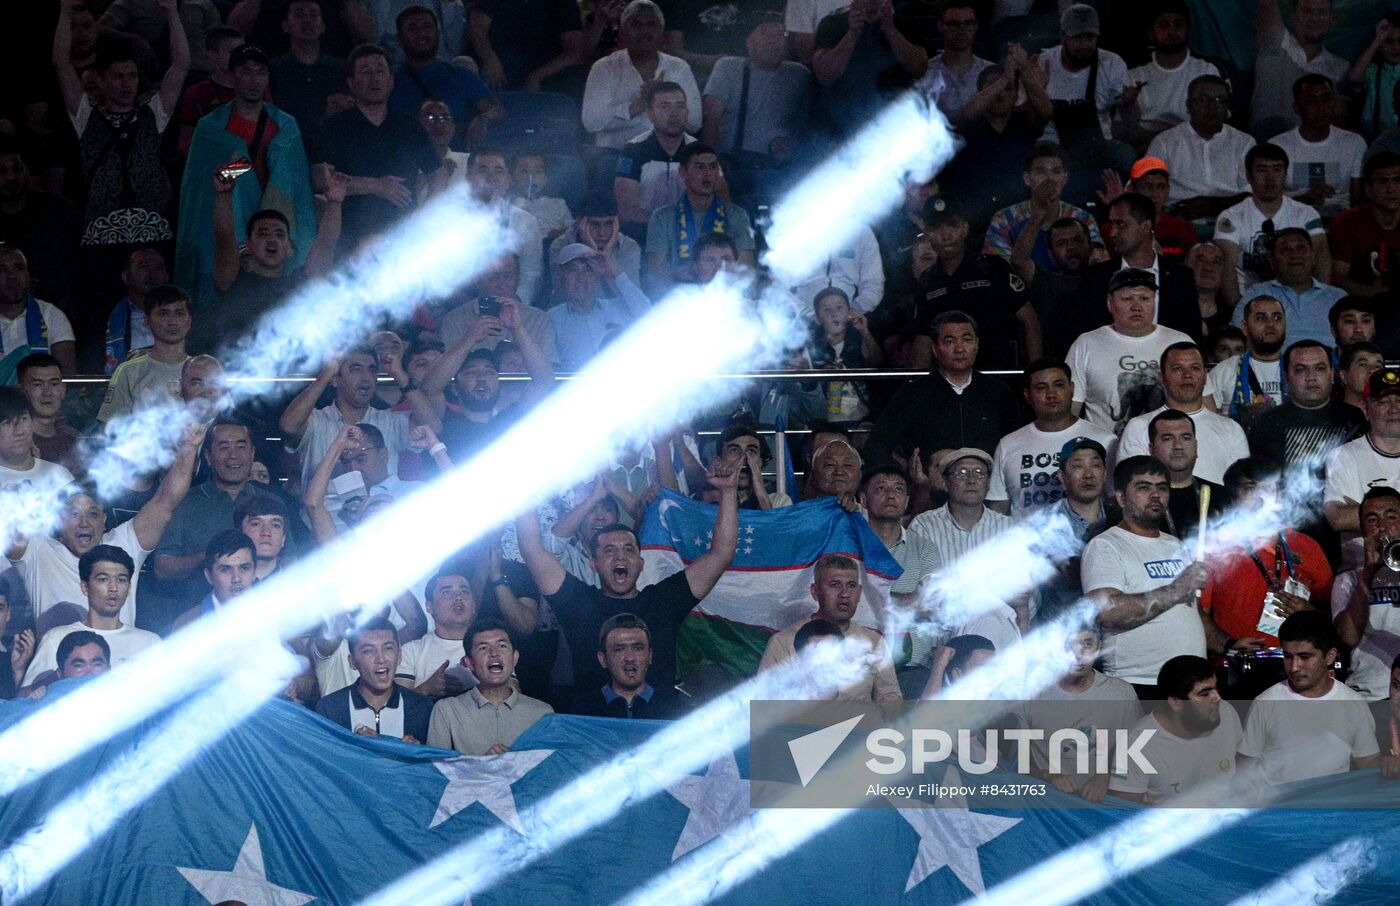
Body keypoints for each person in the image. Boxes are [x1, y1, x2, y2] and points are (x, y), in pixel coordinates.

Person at [516, 457, 739, 695]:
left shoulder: (663, 602)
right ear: (594, 564)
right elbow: (531, 547)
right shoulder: (578, 603)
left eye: (629, 549)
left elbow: (722, 553)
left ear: (641, 563)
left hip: (656, 726)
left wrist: (727, 491)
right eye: (609, 550)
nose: (620, 557)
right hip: (596, 726)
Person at [7, 423, 201, 630]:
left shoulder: (122, 545)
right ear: (59, 521)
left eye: (92, 514)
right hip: (54, 661)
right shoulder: (38, 550)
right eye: (74, 514)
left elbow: (166, 501)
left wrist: (189, 448)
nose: (84, 523)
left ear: (104, 519)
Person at [177, 43, 318, 307]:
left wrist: (241, 166)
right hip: (226, 217)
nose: (254, 80)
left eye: (260, 73)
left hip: (273, 222)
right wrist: (239, 167)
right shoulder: (211, 128)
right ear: (232, 76)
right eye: (246, 72)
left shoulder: (286, 126)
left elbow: (295, 181)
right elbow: (201, 188)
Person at [54, 0, 189, 267]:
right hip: (101, 236)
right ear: (101, 80)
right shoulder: (87, 117)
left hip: (152, 236)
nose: (126, 84)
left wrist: (172, 11)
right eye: (118, 77)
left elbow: (181, 65)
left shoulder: (153, 114)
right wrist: (64, 9)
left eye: (132, 76)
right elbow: (61, 63)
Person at [1080, 455, 1208, 697]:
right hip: (1138, 682)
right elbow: (1108, 613)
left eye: (1162, 488)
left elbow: (1190, 612)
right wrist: (1177, 590)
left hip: (1187, 681)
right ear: (1120, 497)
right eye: (1143, 487)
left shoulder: (1176, 544)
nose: (1156, 495)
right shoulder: (1106, 545)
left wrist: (1227, 644)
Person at [311, 43, 445, 255]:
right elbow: (318, 179)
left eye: (380, 71)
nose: (374, 77)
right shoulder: (334, 126)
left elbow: (437, 173)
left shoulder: (409, 126)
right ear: (352, 83)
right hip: (349, 237)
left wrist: (424, 215)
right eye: (365, 72)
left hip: (402, 238)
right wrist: (374, 185)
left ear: (391, 80)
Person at [1201, 458, 1333, 651]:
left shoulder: (1306, 546)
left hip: (1299, 664)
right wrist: (1228, 644)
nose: (1262, 497)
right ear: (1233, 497)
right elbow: (1197, 613)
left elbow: (1334, 613)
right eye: (1250, 488)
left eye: (1270, 488)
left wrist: (1311, 613)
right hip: (1238, 663)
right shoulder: (1215, 547)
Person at [864, 311, 1021, 469]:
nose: (959, 349)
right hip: (930, 489)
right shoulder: (914, 393)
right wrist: (906, 476)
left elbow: (1018, 445)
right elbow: (876, 445)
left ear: (977, 345)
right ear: (935, 349)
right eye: (949, 341)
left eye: (967, 340)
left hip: (989, 487)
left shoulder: (997, 392)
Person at [1238, 611, 1380, 786]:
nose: (1294, 667)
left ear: (1330, 656)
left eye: (1304, 657)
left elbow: (1369, 764)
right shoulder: (1265, 703)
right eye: (1288, 656)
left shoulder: (1354, 704)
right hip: (1279, 809)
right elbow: (1245, 768)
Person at [207, 171, 343, 352]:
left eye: (280, 235)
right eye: (263, 234)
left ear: (289, 248)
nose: (272, 240)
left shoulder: (300, 284)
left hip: (289, 372)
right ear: (248, 245)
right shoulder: (233, 279)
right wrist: (223, 195)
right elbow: (224, 239)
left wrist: (334, 202)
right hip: (238, 372)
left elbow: (326, 245)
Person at [1011, 624, 1141, 801]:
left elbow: (1136, 752)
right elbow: (1016, 763)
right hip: (1051, 804)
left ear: (1099, 646)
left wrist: (1105, 777)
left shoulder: (1121, 693)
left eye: (1087, 644)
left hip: (1106, 802)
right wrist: (1048, 776)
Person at [413, 298, 553, 459]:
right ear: (455, 388)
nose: (481, 378)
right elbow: (430, 388)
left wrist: (518, 328)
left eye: (489, 372)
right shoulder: (443, 422)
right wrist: (470, 338)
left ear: (499, 384)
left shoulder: (512, 419)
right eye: (471, 372)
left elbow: (544, 380)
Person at [911, 201, 1040, 371]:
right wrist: (917, 384)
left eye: (952, 225)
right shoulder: (927, 282)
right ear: (926, 233)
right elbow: (923, 339)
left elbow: (1030, 321)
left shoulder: (993, 268)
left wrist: (1036, 371)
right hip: (949, 382)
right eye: (936, 228)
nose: (946, 234)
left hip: (998, 377)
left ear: (965, 228)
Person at [758, 553, 900, 703]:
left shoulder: (874, 642)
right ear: (815, 591)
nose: (845, 594)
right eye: (835, 585)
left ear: (859, 593)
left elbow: (891, 699)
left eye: (851, 585)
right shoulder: (783, 642)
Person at [1066, 269, 1193, 434]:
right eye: (1127, 299)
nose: (1136, 307)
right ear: (1110, 303)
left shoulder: (1180, 341)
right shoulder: (1086, 344)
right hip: (1105, 451)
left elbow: (1202, 402)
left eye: (1145, 298)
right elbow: (1070, 408)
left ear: (1155, 301)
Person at [986, 359, 1115, 520]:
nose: (1051, 394)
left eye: (1059, 385)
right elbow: (997, 508)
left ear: (1072, 389)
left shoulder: (1104, 440)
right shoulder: (1008, 444)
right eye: (1041, 388)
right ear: (1028, 395)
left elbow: (1116, 500)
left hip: (1090, 542)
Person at [152, 418, 262, 604]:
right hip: (199, 615)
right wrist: (210, 556)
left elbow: (290, 560)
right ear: (209, 457)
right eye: (224, 447)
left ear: (252, 454)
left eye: (241, 447)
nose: (233, 455)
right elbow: (162, 569)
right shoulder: (184, 502)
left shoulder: (269, 501)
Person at [1109, 655, 1244, 804]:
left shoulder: (1226, 712)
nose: (1217, 697)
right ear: (1176, 702)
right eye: (1205, 693)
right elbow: (1124, 812)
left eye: (1215, 689)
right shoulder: (1134, 745)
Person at [20, 546, 159, 688]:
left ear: (129, 587)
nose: (113, 588)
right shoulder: (56, 638)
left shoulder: (149, 642)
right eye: (103, 579)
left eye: (121, 580)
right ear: (85, 587)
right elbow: (28, 699)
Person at [1071, 191, 1202, 342]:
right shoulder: (1094, 277)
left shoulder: (1181, 278)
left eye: (1120, 224)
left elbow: (1192, 339)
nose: (1112, 232)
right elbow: (1083, 337)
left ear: (1145, 226)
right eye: (1112, 224)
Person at [280, 347, 412, 489]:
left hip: (382, 510)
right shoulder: (315, 422)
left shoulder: (391, 421)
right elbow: (288, 426)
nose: (367, 377)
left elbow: (434, 426)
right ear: (335, 380)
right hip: (321, 511)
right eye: (356, 369)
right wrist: (327, 374)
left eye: (372, 370)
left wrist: (400, 375)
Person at [1215, 143, 1329, 303]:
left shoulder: (1307, 214)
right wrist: (1238, 311)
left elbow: (1320, 258)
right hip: (1247, 300)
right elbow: (1227, 267)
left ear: (1285, 174)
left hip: (1298, 300)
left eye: (1277, 169)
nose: (1270, 178)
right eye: (1262, 170)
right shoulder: (1230, 217)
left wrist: (1316, 304)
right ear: (1248, 176)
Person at [858, 465, 938, 696]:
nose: (891, 494)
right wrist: (911, 598)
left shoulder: (924, 548)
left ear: (906, 501)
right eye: (881, 488)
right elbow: (846, 602)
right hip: (860, 664)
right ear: (863, 499)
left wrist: (869, 600)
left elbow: (930, 606)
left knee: (911, 733)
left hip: (912, 665)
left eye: (898, 489)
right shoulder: (851, 546)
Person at [700, 12, 809, 174]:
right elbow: (711, 119)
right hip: (732, 164)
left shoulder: (799, 74)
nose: (774, 40)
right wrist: (714, 163)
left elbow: (808, 123)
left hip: (780, 167)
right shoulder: (728, 67)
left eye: (780, 34)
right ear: (749, 42)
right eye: (765, 33)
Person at [582, 1, 700, 150]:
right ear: (623, 32)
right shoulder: (604, 67)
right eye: (636, 24)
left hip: (667, 155)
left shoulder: (678, 67)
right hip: (615, 155)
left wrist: (661, 102)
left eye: (651, 24)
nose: (644, 31)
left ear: (661, 32)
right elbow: (591, 123)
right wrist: (639, 104)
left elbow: (694, 123)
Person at [427, 618, 555, 756]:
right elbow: (436, 770)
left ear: (515, 658)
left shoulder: (542, 713)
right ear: (469, 663)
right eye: (483, 648)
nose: (494, 653)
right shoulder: (447, 710)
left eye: (502, 646)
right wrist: (485, 766)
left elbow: (551, 770)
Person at [644, 142, 755, 296]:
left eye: (713, 167)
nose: (708, 174)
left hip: (726, 300)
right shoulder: (662, 217)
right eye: (700, 167)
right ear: (683, 172)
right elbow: (656, 274)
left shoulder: (737, 215)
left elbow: (746, 270)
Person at [985, 143, 1106, 284]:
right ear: (1027, 178)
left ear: (1065, 178)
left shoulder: (1083, 219)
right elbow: (998, 272)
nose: (1049, 179)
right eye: (1041, 171)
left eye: (1056, 171)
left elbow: (1098, 268)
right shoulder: (1004, 219)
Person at [809, 0, 927, 140]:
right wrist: (851, 34)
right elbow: (824, 75)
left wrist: (891, 31)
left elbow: (919, 69)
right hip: (842, 125)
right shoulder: (833, 22)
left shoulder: (904, 21)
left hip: (894, 124)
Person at [386, 6, 502, 147]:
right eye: (412, 28)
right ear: (399, 38)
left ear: (438, 33)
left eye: (427, 26)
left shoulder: (460, 75)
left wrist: (483, 119)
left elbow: (496, 109)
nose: (421, 33)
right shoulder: (387, 78)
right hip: (402, 155)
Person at [1145, 76, 1252, 221]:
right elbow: (1148, 189)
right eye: (1203, 100)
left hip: (1233, 220)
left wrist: (1211, 205)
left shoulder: (1244, 143)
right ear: (1188, 106)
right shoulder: (1165, 142)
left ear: (1227, 107)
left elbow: (1252, 193)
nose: (1212, 106)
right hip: (1180, 220)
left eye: (1220, 100)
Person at [1248, 339, 1365, 473]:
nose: (1311, 377)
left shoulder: (1353, 419)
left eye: (1319, 369)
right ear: (1287, 378)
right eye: (1300, 370)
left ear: (1332, 375)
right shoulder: (1268, 423)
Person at [1325, 366, 1400, 568]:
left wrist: (1367, 514)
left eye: (1399, 400)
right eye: (1383, 401)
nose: (1394, 408)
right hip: (1361, 573)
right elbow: (1338, 517)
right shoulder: (1343, 456)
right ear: (1366, 410)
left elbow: (1349, 515)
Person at [316, 616, 433, 742]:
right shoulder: (330, 709)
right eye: (369, 651)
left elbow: (436, 759)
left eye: (388, 648)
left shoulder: (421, 708)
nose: (381, 659)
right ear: (353, 662)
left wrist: (416, 756)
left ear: (399, 656)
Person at [1121, 1, 1221, 146]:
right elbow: (1123, 129)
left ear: (1188, 30)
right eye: (1164, 25)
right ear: (1151, 33)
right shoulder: (1134, 71)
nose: (1172, 31)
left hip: (1193, 141)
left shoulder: (1206, 69)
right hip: (1145, 143)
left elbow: (1216, 123)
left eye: (1178, 25)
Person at [1034, 4, 1130, 153]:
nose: (1085, 45)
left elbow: (1127, 119)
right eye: (1078, 38)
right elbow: (1031, 124)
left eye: (1090, 37)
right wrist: (1035, 89)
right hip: (1051, 145)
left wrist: (1129, 103)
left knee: (1124, 155)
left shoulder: (1112, 63)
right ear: (1062, 37)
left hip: (1098, 144)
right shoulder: (1042, 62)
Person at [1333, 487, 1400, 701]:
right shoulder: (1348, 580)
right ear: (1362, 529)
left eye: (1391, 517)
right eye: (1372, 520)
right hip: (1369, 696)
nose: (1382, 527)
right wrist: (1368, 573)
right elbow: (1349, 636)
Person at [0, 139, 81, 315]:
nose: (11, 177)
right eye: (2, 171)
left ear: (28, 171)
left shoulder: (57, 211)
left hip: (57, 312)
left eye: (17, 169)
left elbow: (79, 263)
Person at [1269, 74, 1365, 220]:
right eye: (1311, 100)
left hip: (1340, 221)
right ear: (1297, 107)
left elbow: (1358, 200)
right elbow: (1269, 203)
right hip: (1291, 220)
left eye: (1326, 99)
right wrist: (1307, 197)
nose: (1320, 107)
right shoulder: (1278, 146)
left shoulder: (1354, 143)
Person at [1035, 437, 1109, 621]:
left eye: (1095, 465)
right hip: (1062, 630)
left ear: (1105, 473)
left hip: (1112, 626)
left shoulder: (1120, 516)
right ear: (1061, 476)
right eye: (1078, 466)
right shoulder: (1045, 523)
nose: (1088, 474)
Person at [1252, 0, 1348, 139]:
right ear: (1293, 15)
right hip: (1264, 152)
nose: (1314, 18)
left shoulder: (1341, 68)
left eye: (1322, 12)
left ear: (1331, 18)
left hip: (1315, 153)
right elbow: (1266, 3)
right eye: (1307, 11)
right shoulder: (1276, 42)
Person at [97, 285, 192, 424]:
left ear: (189, 321)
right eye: (163, 313)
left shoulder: (204, 369)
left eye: (179, 313)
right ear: (146, 321)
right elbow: (111, 429)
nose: (172, 321)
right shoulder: (128, 371)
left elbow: (223, 423)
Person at [909, 448, 1013, 573]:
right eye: (961, 473)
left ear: (989, 483)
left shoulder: (1008, 527)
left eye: (979, 473)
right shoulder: (924, 526)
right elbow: (918, 583)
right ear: (945, 483)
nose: (971, 480)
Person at [550, 243, 650, 371]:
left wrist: (612, 270)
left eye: (589, 270)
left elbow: (649, 315)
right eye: (573, 270)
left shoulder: (618, 308)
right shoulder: (551, 319)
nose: (582, 278)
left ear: (598, 276)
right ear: (560, 275)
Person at [1237, 228, 1342, 349]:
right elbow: (1237, 339)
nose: (1294, 254)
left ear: (1313, 257)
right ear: (1272, 261)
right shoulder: (1256, 293)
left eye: (1301, 248)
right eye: (1285, 249)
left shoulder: (1337, 297)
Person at [613, 82, 695, 238]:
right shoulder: (632, 151)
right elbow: (627, 211)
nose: (674, 113)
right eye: (665, 107)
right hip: (645, 232)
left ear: (687, 112)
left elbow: (719, 201)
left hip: (690, 233)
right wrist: (668, 227)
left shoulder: (700, 152)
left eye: (680, 106)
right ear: (649, 114)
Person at [268, 0, 351, 143]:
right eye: (299, 15)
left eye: (314, 15)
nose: (307, 20)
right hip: (286, 145)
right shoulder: (273, 70)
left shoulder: (341, 69)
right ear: (285, 25)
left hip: (335, 144)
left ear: (323, 26)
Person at [571, 613, 683, 717]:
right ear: (603, 659)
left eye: (638, 648)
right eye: (619, 649)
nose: (630, 658)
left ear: (649, 656)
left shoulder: (674, 708)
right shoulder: (583, 709)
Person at [394, 570, 478, 698]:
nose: (458, 597)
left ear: (473, 606)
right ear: (429, 607)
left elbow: (513, 700)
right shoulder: (411, 651)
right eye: (447, 592)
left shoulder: (493, 647)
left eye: (464, 592)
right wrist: (427, 687)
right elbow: (399, 706)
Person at [803, 287, 879, 428]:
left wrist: (865, 332)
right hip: (825, 422)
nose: (834, 313)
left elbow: (877, 363)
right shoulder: (812, 350)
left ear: (849, 313)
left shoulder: (859, 339)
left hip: (863, 420)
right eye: (826, 309)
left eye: (839, 307)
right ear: (818, 319)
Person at [468, 0, 584, 91]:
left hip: (547, 70)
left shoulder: (564, 3)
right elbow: (477, 26)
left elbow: (574, 52)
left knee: (575, 76)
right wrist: (489, 59)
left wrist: (537, 77)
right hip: (501, 67)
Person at [1207, 295, 1288, 427]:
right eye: (1261, 318)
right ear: (1244, 327)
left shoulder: (1297, 367)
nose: (1271, 324)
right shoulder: (1225, 370)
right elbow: (1208, 422)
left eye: (1277, 317)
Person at [0, 246, 77, 379]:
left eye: (18, 268)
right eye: (3, 270)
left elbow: (66, 377)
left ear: (28, 275)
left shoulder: (52, 315)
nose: (12, 276)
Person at [1331, 152, 1400, 298]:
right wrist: (1388, 298)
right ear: (1368, 189)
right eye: (1382, 181)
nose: (1391, 188)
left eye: (1397, 180)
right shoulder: (1346, 223)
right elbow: (1340, 279)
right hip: (1360, 306)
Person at [1144, 409, 1218, 541]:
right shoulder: (1138, 500)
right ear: (1151, 449)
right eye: (1167, 438)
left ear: (1196, 446)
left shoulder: (1223, 497)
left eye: (1185, 438)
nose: (1178, 446)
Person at [550, 191, 642, 290]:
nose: (602, 233)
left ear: (616, 224)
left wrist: (608, 260)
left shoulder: (629, 247)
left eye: (608, 224)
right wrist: (589, 249)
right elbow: (564, 297)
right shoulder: (561, 245)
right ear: (580, 222)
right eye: (594, 224)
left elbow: (634, 301)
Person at [169, 529, 258, 632]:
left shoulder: (279, 618)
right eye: (225, 570)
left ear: (255, 572)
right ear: (209, 576)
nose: (236, 578)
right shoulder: (187, 624)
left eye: (244, 568)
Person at [920, 2, 990, 123]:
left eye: (968, 23)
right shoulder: (925, 72)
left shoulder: (990, 74)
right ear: (940, 26)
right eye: (953, 24)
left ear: (976, 26)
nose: (961, 30)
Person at [0, 387, 75, 492]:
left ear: (32, 420)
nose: (19, 431)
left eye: (23, 419)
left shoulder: (58, 476)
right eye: (6, 423)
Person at [1349, 12, 1400, 138]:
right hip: (1377, 139)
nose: (1396, 47)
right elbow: (1354, 77)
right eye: (1388, 41)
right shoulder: (1373, 71)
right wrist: (1377, 40)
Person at [234, 492, 291, 581]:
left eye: (275, 525)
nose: (266, 532)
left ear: (283, 538)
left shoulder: (302, 588)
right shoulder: (223, 589)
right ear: (240, 533)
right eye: (256, 524)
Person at [1185, 241, 1233, 337]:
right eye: (1200, 260)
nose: (1208, 268)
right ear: (1186, 265)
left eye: (1216, 262)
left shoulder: (1232, 316)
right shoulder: (1169, 309)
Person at [1339, 341, 1384, 415]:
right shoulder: (1330, 419)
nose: (1372, 370)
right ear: (1343, 376)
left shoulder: (1393, 417)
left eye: (1378, 366)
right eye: (1363, 365)